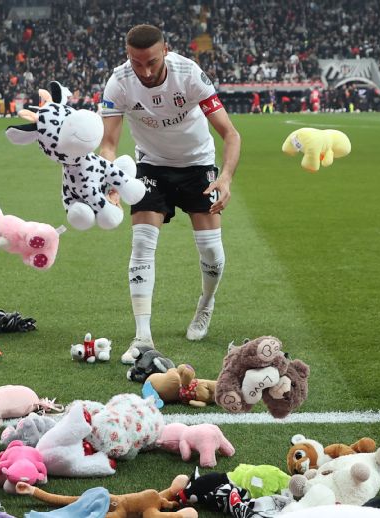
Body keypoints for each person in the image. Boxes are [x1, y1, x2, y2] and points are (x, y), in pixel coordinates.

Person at [97, 24, 241, 362]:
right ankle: (142, 336)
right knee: (142, 245)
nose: (145, 71)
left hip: (197, 165)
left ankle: (205, 303)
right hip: (151, 167)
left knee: (212, 255)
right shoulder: (119, 82)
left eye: (152, 62)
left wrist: (227, 177)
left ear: (166, 50)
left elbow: (230, 134)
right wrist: (112, 180)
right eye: (136, 63)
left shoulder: (189, 74)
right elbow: (108, 144)